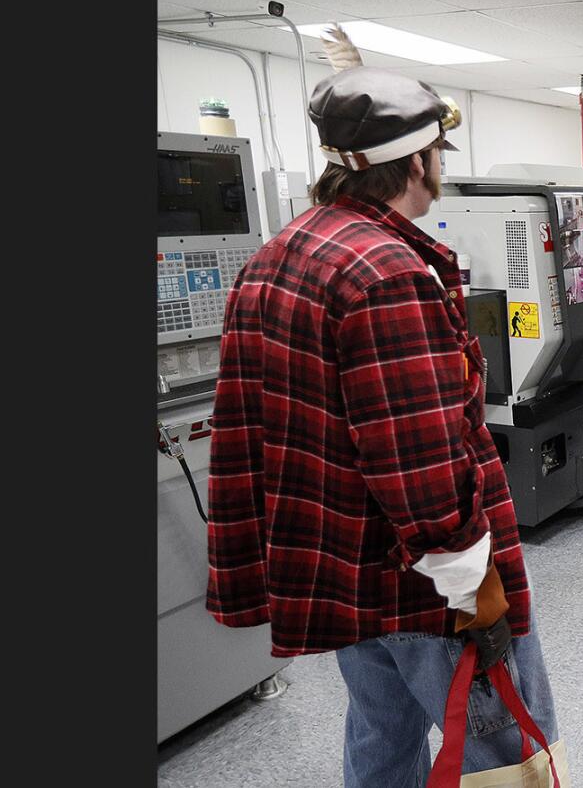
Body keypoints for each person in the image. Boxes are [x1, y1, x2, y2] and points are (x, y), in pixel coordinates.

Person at [206, 66, 559, 786]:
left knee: (382, 737)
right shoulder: (389, 273)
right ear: (421, 161)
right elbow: (416, 456)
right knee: (507, 751)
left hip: (344, 574)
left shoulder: (281, 253)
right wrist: (471, 588)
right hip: (422, 586)